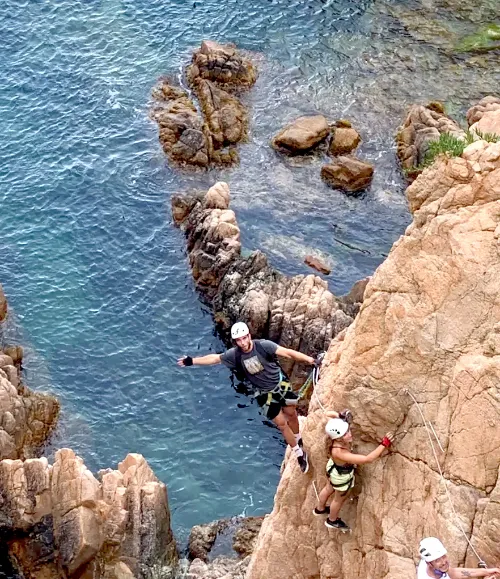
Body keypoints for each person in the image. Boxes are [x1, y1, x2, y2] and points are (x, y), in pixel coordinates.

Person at [177, 321, 316, 473]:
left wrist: (310, 360)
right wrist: (192, 361)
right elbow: (215, 359)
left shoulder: (263, 346)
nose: (243, 343)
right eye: (239, 340)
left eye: (244, 338)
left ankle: (298, 437)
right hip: (264, 394)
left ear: (249, 335)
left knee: (292, 415)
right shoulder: (235, 355)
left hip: (280, 385)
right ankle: (298, 453)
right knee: (282, 425)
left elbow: (288, 353)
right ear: (235, 341)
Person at [313, 416, 394, 530]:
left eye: (348, 430)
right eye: (345, 434)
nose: (349, 434)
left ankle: (320, 509)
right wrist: (384, 444)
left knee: (328, 488)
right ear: (339, 438)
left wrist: (341, 417)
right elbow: (368, 459)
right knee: (338, 500)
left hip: (333, 469)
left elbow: (331, 415)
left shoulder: (334, 440)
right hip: (340, 478)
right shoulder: (340, 453)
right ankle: (332, 520)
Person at [418, 537, 500, 579]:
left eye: (443, 556)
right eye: (437, 560)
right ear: (429, 564)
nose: (443, 562)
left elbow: (455, 573)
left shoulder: (432, 565)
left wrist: (486, 572)